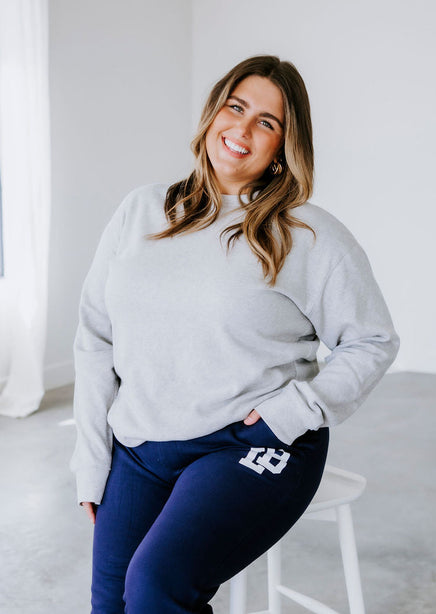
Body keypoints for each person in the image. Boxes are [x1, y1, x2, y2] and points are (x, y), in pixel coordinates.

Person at [70, 55, 400, 614]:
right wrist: (91, 459)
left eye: (266, 122)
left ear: (284, 145)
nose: (242, 129)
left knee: (156, 586)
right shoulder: (142, 209)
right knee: (113, 603)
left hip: (250, 442)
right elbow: (95, 338)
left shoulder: (307, 234)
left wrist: (294, 411)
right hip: (142, 443)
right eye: (235, 107)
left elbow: (373, 340)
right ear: (212, 113)